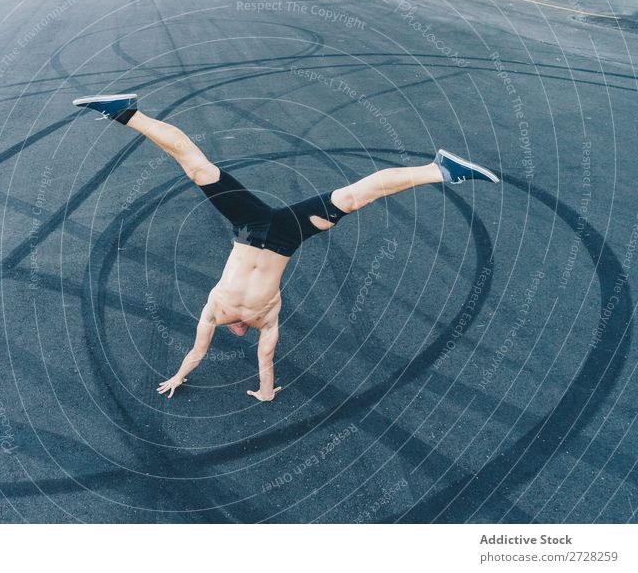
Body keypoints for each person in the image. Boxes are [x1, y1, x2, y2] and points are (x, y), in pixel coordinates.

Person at [73, 94, 500, 402]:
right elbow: (250, 359)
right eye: (245, 334)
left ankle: (128, 112)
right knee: (353, 196)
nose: (240, 334)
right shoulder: (260, 319)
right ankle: (440, 169)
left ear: (231, 329)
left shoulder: (221, 314)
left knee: (198, 166)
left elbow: (199, 352)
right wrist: (262, 389)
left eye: (237, 334)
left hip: (252, 227)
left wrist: (181, 378)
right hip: (284, 234)